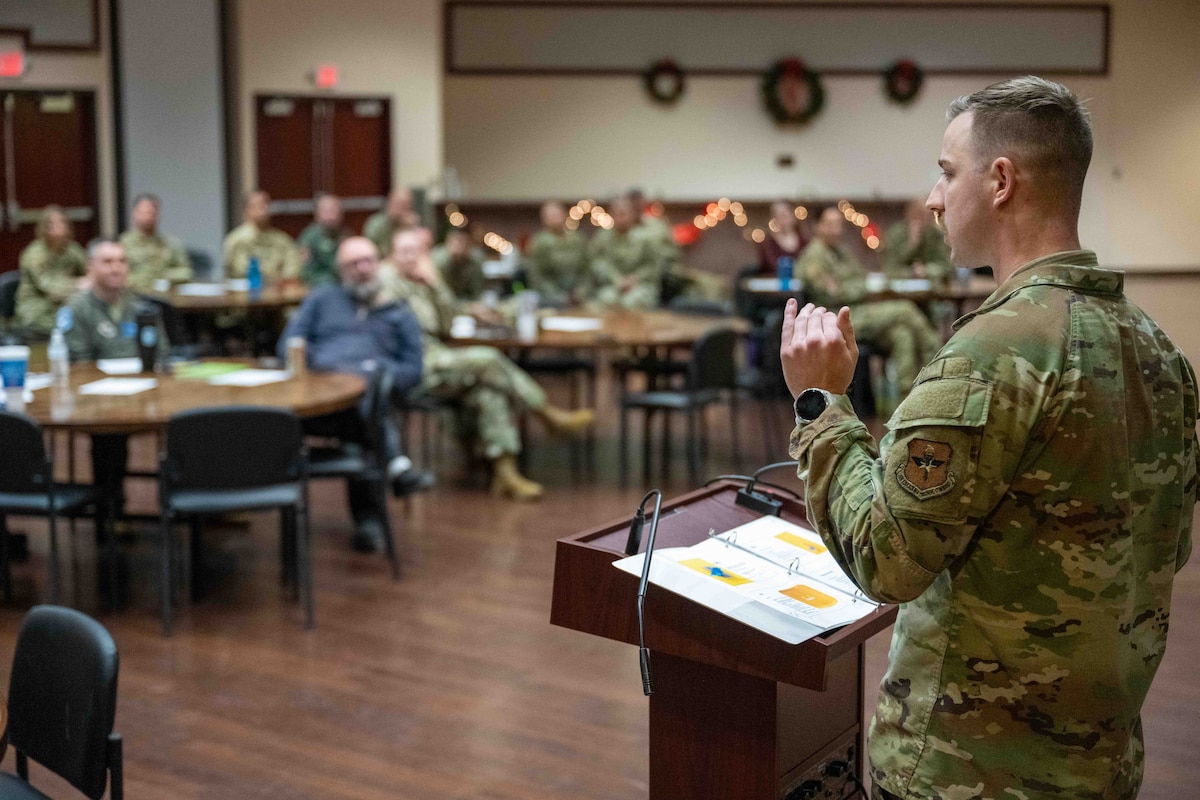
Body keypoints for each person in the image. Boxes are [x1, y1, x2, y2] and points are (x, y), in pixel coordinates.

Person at [781, 76, 1197, 800]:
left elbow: (886, 560)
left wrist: (822, 404)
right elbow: (1168, 542)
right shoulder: (1157, 349)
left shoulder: (988, 355)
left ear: (1001, 181)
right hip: (1099, 764)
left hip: (967, 769)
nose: (936, 197)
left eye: (946, 172)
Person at [382, 229, 594, 501]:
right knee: (489, 359)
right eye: (405, 252)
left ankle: (505, 474)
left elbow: (447, 323)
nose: (412, 258)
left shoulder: (421, 281)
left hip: (438, 355)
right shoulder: (387, 283)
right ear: (392, 255)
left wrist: (435, 284)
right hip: (416, 364)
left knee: (489, 391)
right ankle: (546, 413)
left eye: (417, 252)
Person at [278, 236, 434, 552]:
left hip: (372, 401)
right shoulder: (322, 300)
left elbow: (414, 369)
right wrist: (328, 367)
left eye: (369, 261)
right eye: (354, 263)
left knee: (369, 406)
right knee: (371, 423)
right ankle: (394, 471)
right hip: (321, 404)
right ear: (341, 270)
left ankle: (369, 521)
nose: (363, 269)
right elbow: (288, 346)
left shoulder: (397, 310)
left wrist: (378, 375)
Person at [62, 237, 169, 522]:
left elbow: (162, 352)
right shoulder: (77, 309)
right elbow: (78, 364)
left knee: (191, 424)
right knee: (109, 437)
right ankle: (110, 512)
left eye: (122, 261)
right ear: (91, 267)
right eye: (108, 262)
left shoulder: (142, 307)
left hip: (145, 392)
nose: (117, 268)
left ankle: (196, 510)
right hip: (97, 398)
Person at [796, 207, 941, 399]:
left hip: (855, 310)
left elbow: (860, 279)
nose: (837, 230)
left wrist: (854, 287)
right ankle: (940, 364)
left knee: (902, 334)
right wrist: (857, 288)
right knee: (905, 310)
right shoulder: (815, 256)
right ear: (818, 227)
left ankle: (911, 396)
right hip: (835, 319)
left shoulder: (841, 252)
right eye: (830, 225)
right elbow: (834, 294)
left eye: (839, 224)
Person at [15, 206, 89, 337]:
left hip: (66, 308)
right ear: (43, 228)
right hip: (38, 311)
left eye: (62, 222)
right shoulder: (35, 254)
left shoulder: (72, 250)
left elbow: (91, 274)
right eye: (52, 223)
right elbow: (52, 289)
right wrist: (79, 284)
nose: (58, 227)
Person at [587, 197, 670, 309]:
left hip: (641, 285)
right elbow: (598, 262)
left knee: (631, 302)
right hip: (613, 285)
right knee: (605, 300)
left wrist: (636, 278)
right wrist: (616, 279)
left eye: (623, 213)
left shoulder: (645, 238)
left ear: (631, 215)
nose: (620, 217)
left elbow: (654, 265)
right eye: (616, 214)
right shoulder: (603, 238)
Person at [119, 193, 193, 291]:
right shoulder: (122, 244)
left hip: (165, 297)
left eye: (152, 213)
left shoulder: (171, 243)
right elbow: (116, 275)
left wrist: (160, 276)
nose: (149, 217)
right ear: (135, 213)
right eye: (144, 213)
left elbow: (186, 272)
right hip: (133, 296)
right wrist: (143, 279)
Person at [524, 200, 590, 307]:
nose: (555, 219)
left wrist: (581, 290)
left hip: (577, 294)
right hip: (550, 295)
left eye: (557, 214)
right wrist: (559, 296)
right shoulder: (539, 243)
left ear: (564, 215)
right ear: (544, 219)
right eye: (550, 216)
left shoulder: (577, 240)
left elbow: (586, 269)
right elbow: (537, 276)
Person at [223, 190, 300, 280]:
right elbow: (232, 270)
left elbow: (292, 268)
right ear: (247, 209)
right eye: (258, 205)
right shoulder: (236, 240)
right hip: (243, 290)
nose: (264, 209)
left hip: (276, 291)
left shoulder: (282, 239)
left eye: (266, 204)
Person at [881, 197, 952, 283]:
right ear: (909, 214)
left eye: (926, 216)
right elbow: (890, 268)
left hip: (932, 286)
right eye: (918, 215)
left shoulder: (935, 235)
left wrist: (925, 270)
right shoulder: (895, 234)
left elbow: (945, 266)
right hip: (901, 286)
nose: (922, 221)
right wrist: (911, 245)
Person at [296, 193, 350, 288]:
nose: (331, 216)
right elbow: (306, 273)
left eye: (334, 211)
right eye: (326, 211)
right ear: (317, 214)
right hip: (320, 286)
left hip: (345, 284)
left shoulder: (346, 235)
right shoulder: (310, 238)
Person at [363, 187, 419, 259]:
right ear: (390, 202)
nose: (400, 208)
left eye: (404, 205)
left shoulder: (411, 223)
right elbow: (369, 248)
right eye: (398, 203)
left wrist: (412, 227)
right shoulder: (376, 223)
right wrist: (390, 222)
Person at [430, 228, 486, 300]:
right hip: (445, 301)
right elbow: (440, 293)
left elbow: (478, 289)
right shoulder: (438, 259)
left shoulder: (476, 259)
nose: (458, 246)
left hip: (466, 299)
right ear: (447, 242)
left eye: (462, 242)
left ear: (470, 244)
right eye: (454, 242)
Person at [758, 200, 809, 276]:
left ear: (793, 216)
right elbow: (770, 266)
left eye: (784, 215)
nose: (782, 220)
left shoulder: (803, 241)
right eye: (777, 216)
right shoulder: (768, 243)